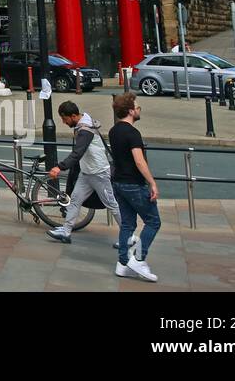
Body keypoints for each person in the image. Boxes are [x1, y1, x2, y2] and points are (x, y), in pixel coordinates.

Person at [45, 100, 121, 245]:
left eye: (64, 119)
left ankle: (128, 236)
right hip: (87, 172)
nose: (63, 122)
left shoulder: (85, 130)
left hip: (98, 173)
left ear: (73, 116)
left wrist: (60, 167)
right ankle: (66, 232)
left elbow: (77, 152)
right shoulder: (83, 124)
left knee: (112, 204)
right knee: (75, 200)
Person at [109, 92, 160, 282]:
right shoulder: (133, 133)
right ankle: (139, 259)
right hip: (133, 184)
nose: (139, 110)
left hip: (119, 183)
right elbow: (139, 161)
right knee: (153, 221)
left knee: (128, 224)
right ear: (131, 111)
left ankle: (123, 263)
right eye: (138, 107)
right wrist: (152, 183)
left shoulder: (114, 131)